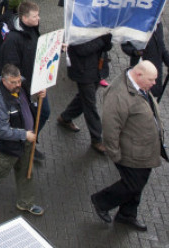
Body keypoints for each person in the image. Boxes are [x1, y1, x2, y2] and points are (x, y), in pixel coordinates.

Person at [90, 60, 164, 230]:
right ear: (138, 75)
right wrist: (114, 154)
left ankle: (127, 214)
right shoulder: (118, 95)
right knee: (133, 184)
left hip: (144, 150)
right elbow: (110, 127)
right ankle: (102, 201)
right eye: (151, 80)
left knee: (140, 182)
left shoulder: (139, 87)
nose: (154, 84)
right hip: (131, 152)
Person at [0, 63, 45, 216]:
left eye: (19, 81)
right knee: (2, 169)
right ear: (4, 81)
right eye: (14, 82)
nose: (18, 84)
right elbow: (2, 131)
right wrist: (24, 135)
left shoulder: (20, 84)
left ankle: (25, 202)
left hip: (26, 139)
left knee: (26, 169)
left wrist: (39, 93)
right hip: (11, 143)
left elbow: (29, 97)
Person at [0, 1, 49, 157]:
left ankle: (29, 141)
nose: (38, 18)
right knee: (36, 114)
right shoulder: (13, 40)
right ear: (25, 18)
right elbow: (12, 69)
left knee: (43, 112)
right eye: (35, 16)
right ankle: (26, 143)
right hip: (25, 87)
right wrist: (27, 86)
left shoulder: (32, 29)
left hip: (35, 81)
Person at [57, 34, 112, 154]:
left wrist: (107, 39)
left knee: (84, 98)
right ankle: (97, 139)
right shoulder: (76, 28)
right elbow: (82, 49)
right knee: (90, 105)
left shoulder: (98, 25)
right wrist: (102, 40)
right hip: (83, 71)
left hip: (97, 69)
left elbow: (107, 47)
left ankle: (65, 117)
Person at [120, 22, 169, 98]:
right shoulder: (136, 23)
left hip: (154, 71)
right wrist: (136, 52)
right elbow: (125, 46)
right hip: (140, 70)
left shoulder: (158, 24)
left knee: (150, 100)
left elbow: (161, 47)